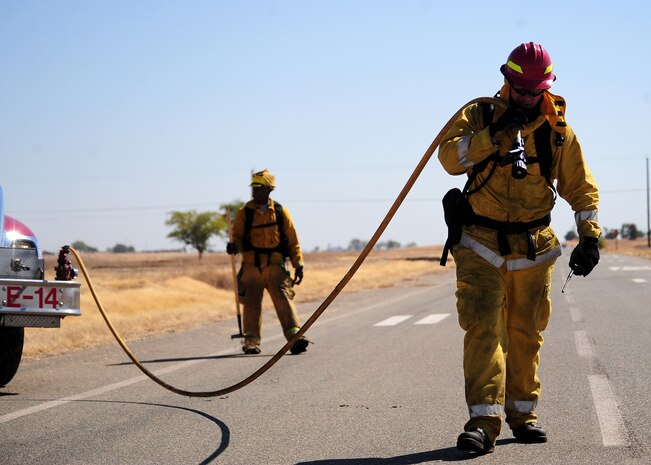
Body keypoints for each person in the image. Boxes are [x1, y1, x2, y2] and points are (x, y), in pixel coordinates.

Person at [438, 42, 601, 454]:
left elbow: (580, 188)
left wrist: (590, 236)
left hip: (533, 247)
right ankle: (483, 422)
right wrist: (492, 136)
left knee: (526, 333)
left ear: (546, 87)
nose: (528, 97)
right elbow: (449, 159)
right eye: (520, 89)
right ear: (507, 80)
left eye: (535, 91)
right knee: (484, 329)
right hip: (480, 243)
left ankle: (523, 414)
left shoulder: (557, 130)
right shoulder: (478, 115)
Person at [226, 169, 310, 355]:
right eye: (253, 188)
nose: (255, 192)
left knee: (284, 301)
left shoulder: (280, 212)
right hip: (251, 268)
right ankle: (251, 343)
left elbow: (293, 240)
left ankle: (295, 338)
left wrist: (299, 265)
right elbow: (237, 237)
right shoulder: (245, 213)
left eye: (259, 187)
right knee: (251, 305)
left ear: (269, 189)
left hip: (275, 267)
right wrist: (234, 246)